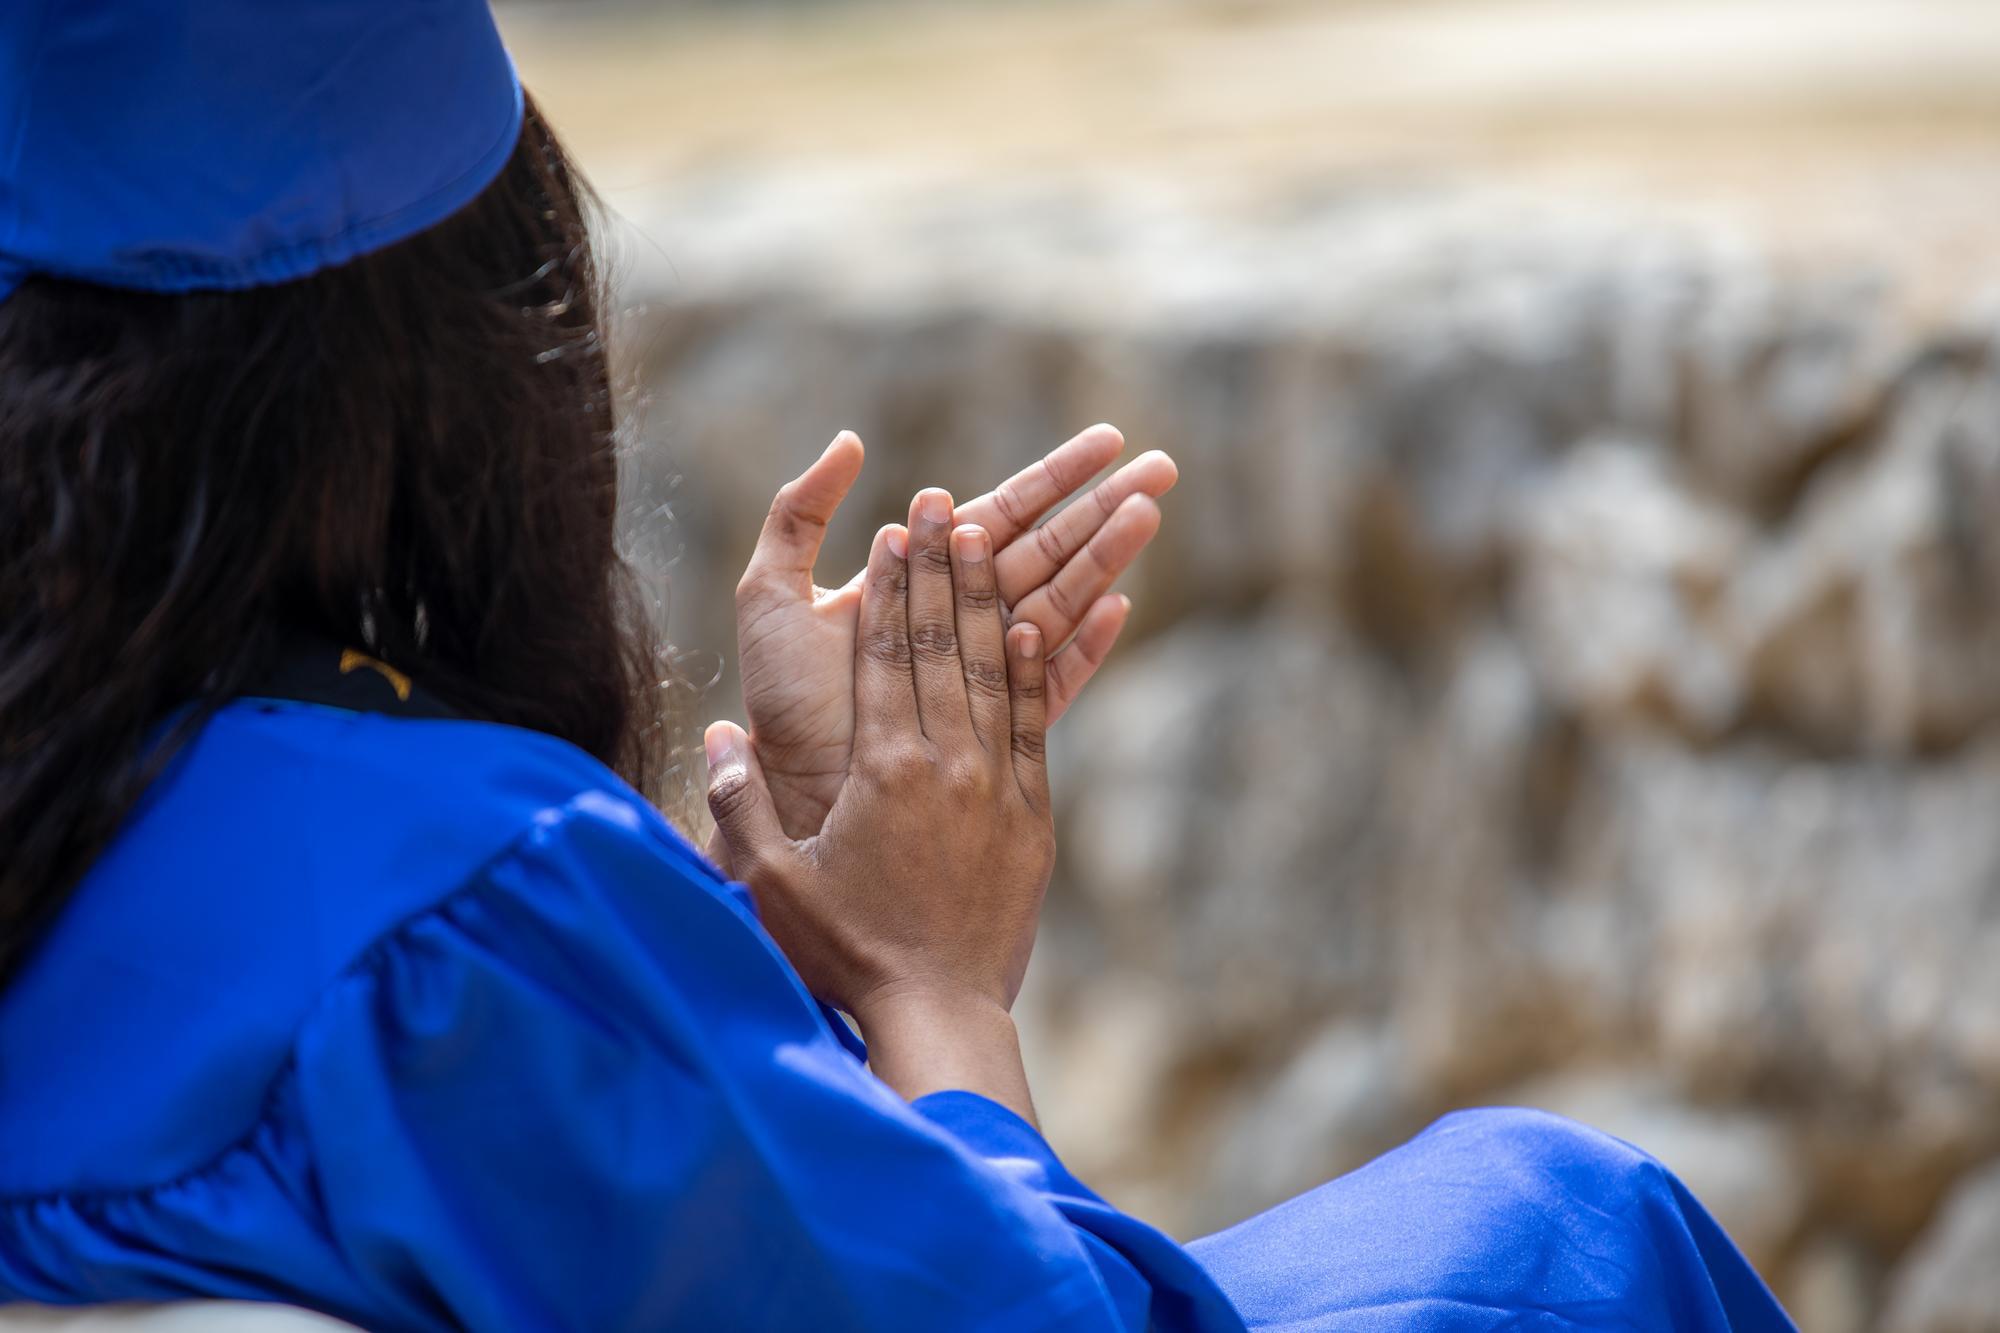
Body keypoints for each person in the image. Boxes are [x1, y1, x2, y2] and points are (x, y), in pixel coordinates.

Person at [0, 2, 1794, 1329]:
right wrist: (931, 984)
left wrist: (715, 970)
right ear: (457, 375)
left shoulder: (224, 849)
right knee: (1565, 1226)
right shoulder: (453, 919)